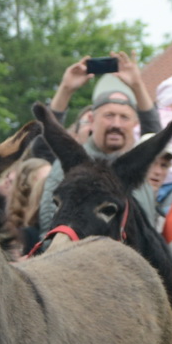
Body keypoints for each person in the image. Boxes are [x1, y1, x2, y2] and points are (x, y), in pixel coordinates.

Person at [38, 55, 160, 230]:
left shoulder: (137, 167)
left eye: (124, 117)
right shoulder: (71, 165)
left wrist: (137, 85)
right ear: (92, 120)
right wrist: (65, 89)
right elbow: (45, 144)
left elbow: (155, 138)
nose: (116, 124)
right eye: (109, 115)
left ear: (135, 124)